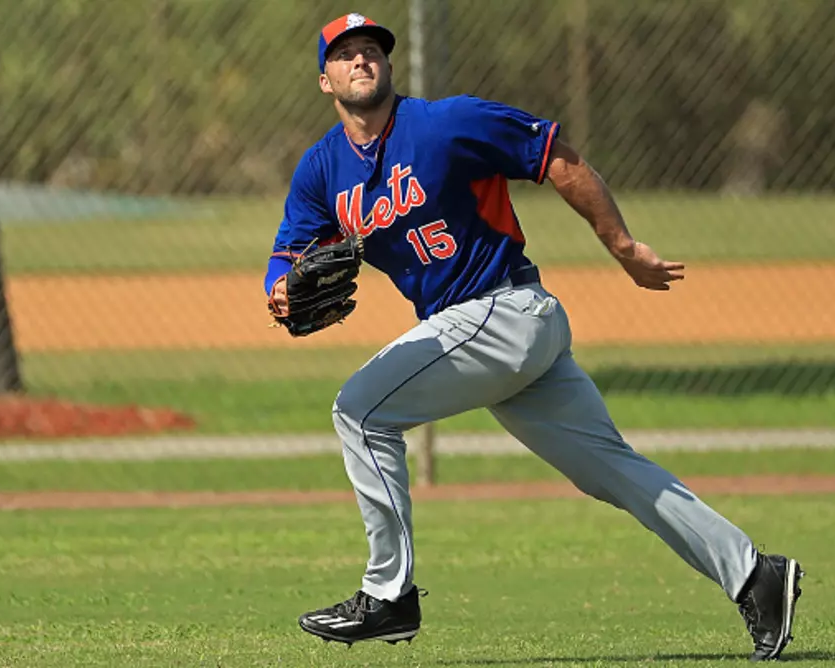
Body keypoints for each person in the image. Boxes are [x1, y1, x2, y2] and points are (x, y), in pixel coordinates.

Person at [263, 13, 805, 662]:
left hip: (506, 310)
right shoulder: (323, 169)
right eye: (345, 53)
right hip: (493, 336)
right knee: (615, 473)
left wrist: (623, 245)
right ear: (325, 79)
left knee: (360, 410)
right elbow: (290, 251)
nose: (361, 61)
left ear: (387, 64)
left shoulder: (445, 123)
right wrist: (278, 288)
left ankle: (388, 595)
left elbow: (556, 156)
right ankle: (755, 574)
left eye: (372, 49)